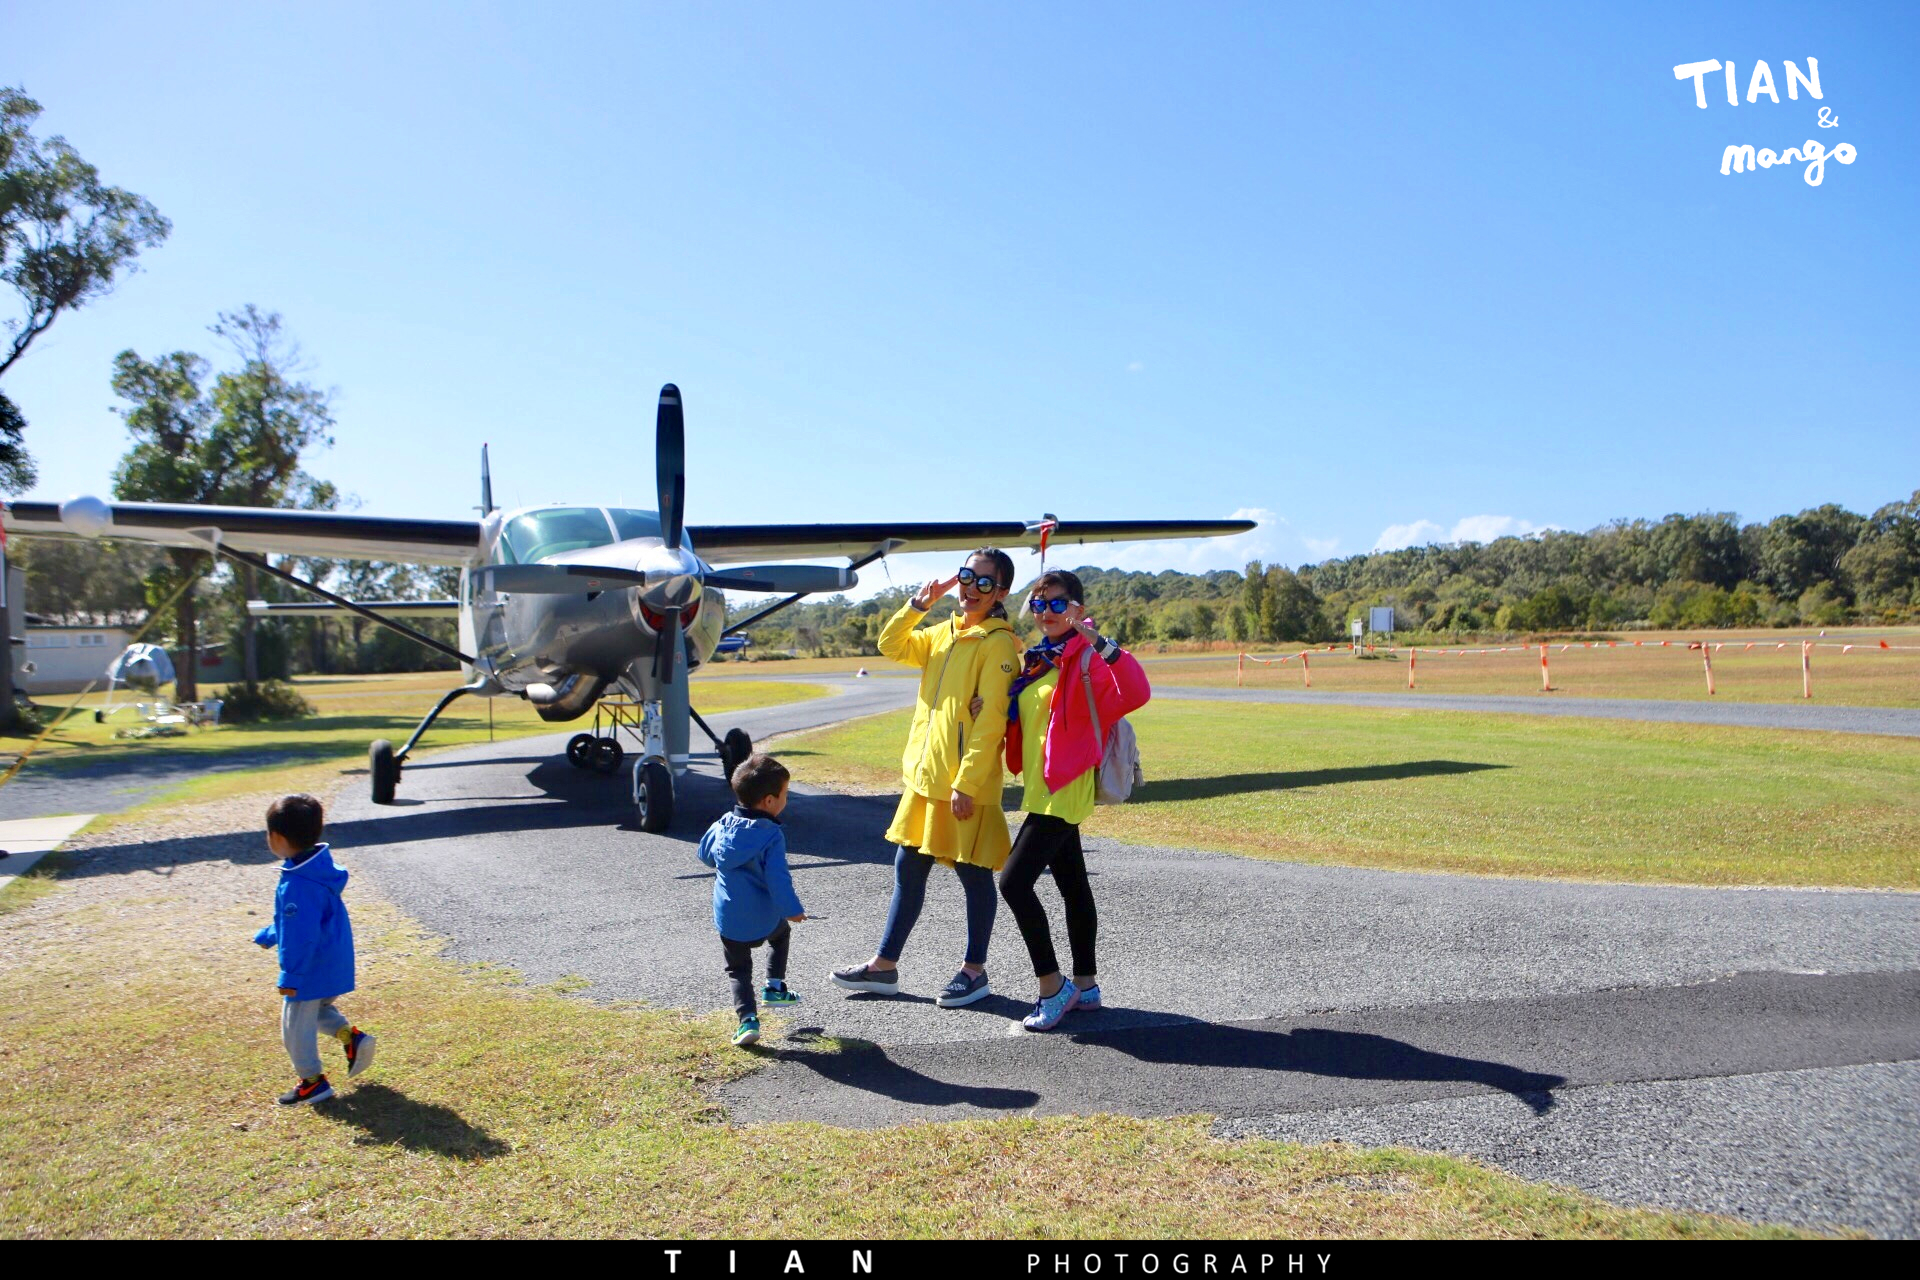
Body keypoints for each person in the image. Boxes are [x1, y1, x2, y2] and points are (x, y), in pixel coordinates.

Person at [831, 548, 1021, 1008]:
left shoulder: (998, 645)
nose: (971, 589)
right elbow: (891, 646)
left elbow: (992, 721)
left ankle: (974, 972)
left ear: (1001, 592)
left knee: (973, 875)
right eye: (966, 578)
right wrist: (917, 607)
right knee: (907, 868)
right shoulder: (942, 634)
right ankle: (883, 967)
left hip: (961, 784)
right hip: (925, 777)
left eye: (984, 583)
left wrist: (968, 783)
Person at [999, 570, 1149, 1031]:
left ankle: (1053, 985)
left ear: (1077, 609)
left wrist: (1100, 642)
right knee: (1072, 883)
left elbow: (1137, 692)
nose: (1047, 613)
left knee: (1012, 883)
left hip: (1067, 788)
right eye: (1040, 604)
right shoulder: (1040, 660)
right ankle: (1085, 984)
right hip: (1043, 787)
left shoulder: (1086, 658)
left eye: (1058, 604)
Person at [252, 794, 375, 1105]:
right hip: (332, 961)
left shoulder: (298, 884)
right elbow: (301, 922)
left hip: (309, 969)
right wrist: (271, 933)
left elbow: (301, 934)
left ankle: (312, 1081)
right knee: (317, 1012)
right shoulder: (315, 869)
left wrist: (291, 974)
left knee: (294, 1026)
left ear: (277, 837)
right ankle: (353, 1040)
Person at [698, 752, 806, 1047]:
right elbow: (778, 879)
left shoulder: (721, 824)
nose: (787, 799)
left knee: (738, 970)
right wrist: (792, 909)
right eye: (786, 794)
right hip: (764, 918)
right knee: (781, 935)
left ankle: (747, 1022)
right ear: (769, 801)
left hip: (729, 919)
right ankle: (774, 987)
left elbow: (705, 855)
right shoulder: (771, 835)